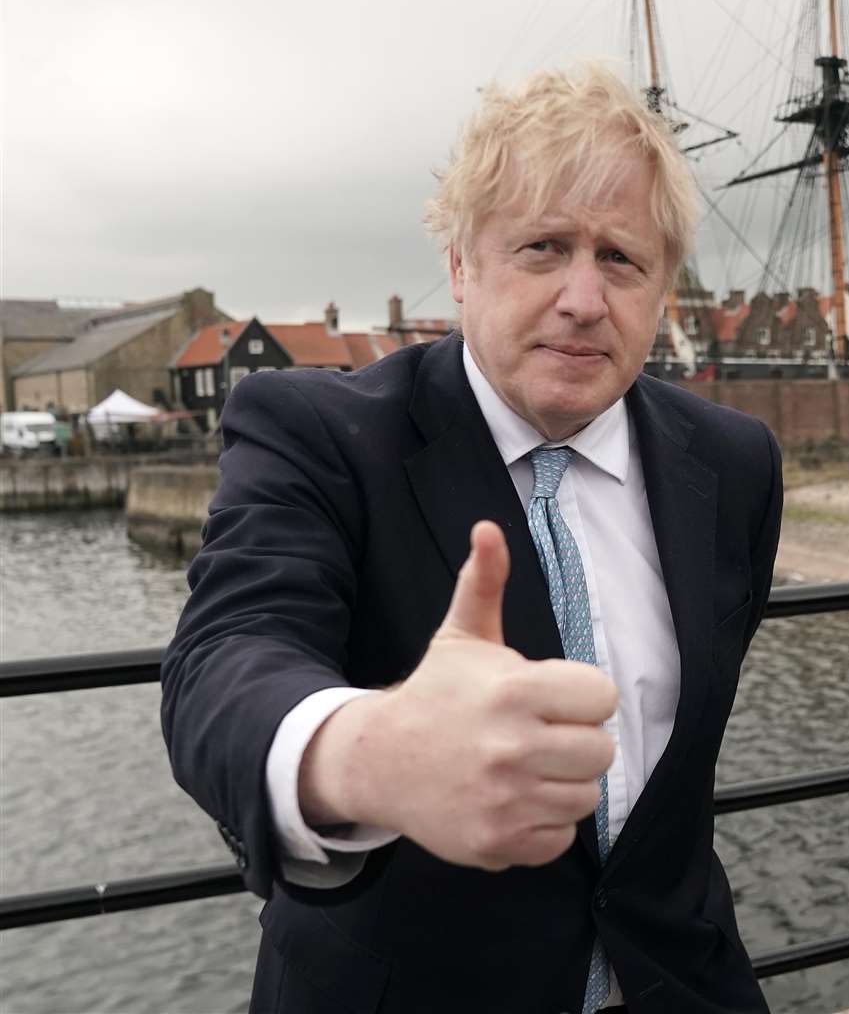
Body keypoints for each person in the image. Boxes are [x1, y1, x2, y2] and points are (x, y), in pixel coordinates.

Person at [161, 63, 782, 1014]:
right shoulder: (321, 433)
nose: (584, 296)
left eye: (621, 258)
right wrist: (372, 755)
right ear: (460, 265)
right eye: (542, 247)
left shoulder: (733, 465)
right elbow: (223, 660)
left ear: (662, 288)